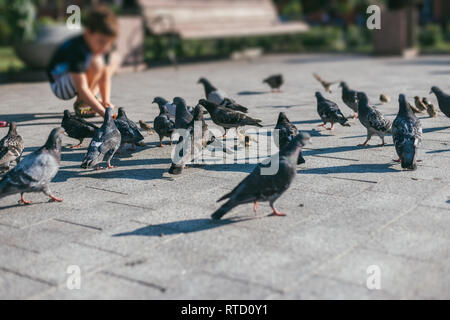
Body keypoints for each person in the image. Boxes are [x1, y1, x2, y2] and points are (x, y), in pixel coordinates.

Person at [46, 5, 119, 117]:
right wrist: (105, 114)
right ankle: (83, 103)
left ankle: (90, 100)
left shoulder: (102, 47)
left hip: (73, 79)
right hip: (60, 84)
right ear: (88, 32)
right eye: (101, 41)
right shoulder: (77, 49)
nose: (105, 47)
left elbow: (105, 77)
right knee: (97, 63)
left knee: (111, 60)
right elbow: (82, 87)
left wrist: (106, 101)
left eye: (108, 43)